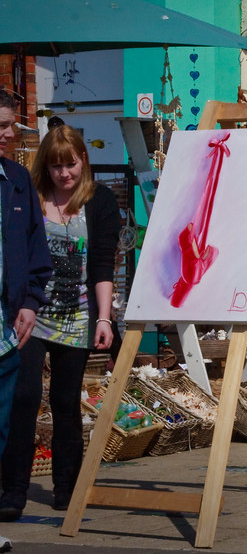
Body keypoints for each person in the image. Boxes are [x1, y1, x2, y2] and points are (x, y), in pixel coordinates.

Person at [0, 124, 119, 520]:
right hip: (31, 315)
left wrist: (105, 319)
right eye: (55, 167)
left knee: (66, 403)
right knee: (23, 398)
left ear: (83, 160)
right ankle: (13, 491)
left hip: (77, 318)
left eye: (70, 165)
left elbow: (103, 265)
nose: (64, 174)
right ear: (45, 167)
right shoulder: (31, 195)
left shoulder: (100, 201)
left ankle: (67, 491)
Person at [0, 90, 53, 547]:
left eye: (12, 125)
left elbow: (37, 251)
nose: (10, 133)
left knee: (2, 426)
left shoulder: (17, 180)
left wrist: (30, 303)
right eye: (2, 126)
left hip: (6, 330)